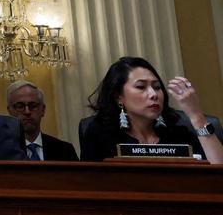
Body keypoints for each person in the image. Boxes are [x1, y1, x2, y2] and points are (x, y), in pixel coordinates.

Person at [79, 56, 222, 164]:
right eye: (141, 87)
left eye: (157, 87)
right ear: (119, 97)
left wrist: (197, 117)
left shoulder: (177, 132)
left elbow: (217, 178)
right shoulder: (99, 133)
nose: (154, 94)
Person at [6, 79, 78, 161]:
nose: (27, 112)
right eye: (20, 106)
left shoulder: (65, 150)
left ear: (43, 110)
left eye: (33, 105)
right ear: (10, 111)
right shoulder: (3, 151)